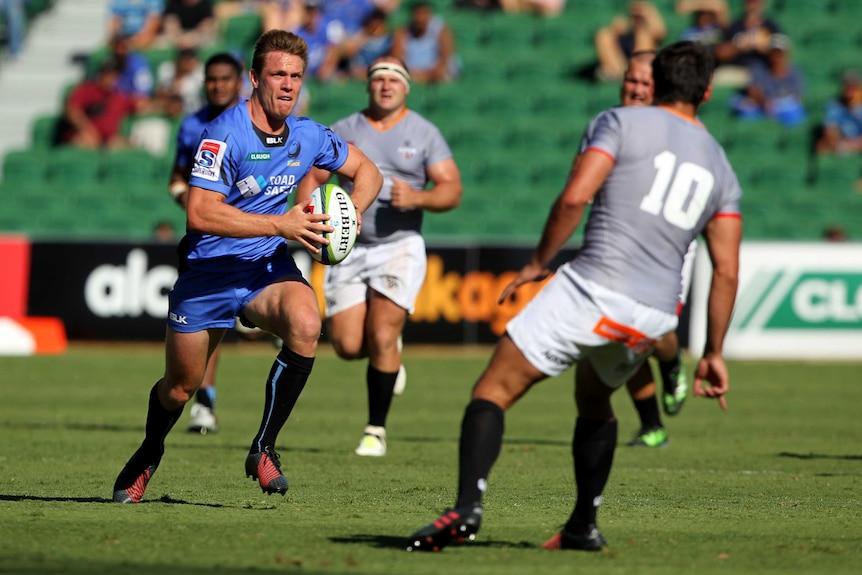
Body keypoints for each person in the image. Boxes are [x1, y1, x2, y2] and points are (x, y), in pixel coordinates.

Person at [405, 40, 742, 552]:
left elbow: (576, 196)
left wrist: (540, 262)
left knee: (492, 390)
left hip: (596, 287)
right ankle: (583, 526)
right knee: (595, 400)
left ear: (658, 83)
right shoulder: (721, 166)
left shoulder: (621, 122)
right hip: (651, 315)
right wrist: (713, 353)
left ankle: (466, 509)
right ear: (709, 91)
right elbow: (727, 272)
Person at [111, 29, 383, 504]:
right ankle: (149, 452)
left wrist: (351, 214)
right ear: (254, 79)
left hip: (264, 268)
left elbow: (369, 172)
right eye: (278, 74)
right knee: (180, 388)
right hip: (209, 272)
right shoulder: (223, 134)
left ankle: (263, 446)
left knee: (305, 321)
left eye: (296, 76)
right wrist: (280, 224)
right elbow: (200, 212)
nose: (288, 85)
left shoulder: (308, 134)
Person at [297, 56, 462, 457]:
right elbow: (312, 180)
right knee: (349, 346)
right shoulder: (345, 129)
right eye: (378, 78)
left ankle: (375, 430)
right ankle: (390, 357)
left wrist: (420, 197)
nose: (386, 85)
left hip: (399, 246)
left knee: (383, 334)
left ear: (407, 87)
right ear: (368, 86)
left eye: (394, 79)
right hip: (349, 248)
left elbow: (452, 189)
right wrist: (308, 216)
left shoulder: (424, 132)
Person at [581, 49, 691, 448]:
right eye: (631, 80)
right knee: (622, 337)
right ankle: (651, 426)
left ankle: (672, 361)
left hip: (668, 247)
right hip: (617, 243)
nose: (637, 89)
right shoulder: (603, 124)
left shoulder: (679, 128)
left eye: (646, 83)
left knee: (652, 332)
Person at [165, 51, 244, 434]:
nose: (218, 85)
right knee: (207, 328)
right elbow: (177, 177)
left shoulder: (254, 123)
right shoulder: (191, 126)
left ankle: (273, 330)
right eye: (212, 79)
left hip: (250, 236)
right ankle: (204, 401)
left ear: (240, 81)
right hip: (205, 240)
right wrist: (186, 197)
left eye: (225, 78)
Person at [58, 57, 142, 149]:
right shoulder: (87, 90)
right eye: (107, 74)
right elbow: (72, 111)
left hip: (108, 141)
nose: (111, 79)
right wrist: (88, 129)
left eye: (114, 75)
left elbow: (139, 104)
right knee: (86, 141)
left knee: (127, 146)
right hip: (86, 136)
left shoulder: (120, 96)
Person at [729, 33, 805, 127]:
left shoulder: (794, 72)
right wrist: (764, 102)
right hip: (762, 106)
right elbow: (753, 91)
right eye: (773, 53)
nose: (776, 57)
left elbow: (798, 95)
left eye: (779, 53)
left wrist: (779, 104)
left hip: (783, 107)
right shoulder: (758, 68)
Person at [712, 0, 782, 87]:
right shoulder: (735, 26)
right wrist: (739, 46)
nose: (753, 6)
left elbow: (782, 56)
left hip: (764, 70)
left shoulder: (771, 27)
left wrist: (765, 47)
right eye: (750, 2)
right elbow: (720, 53)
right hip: (738, 70)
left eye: (756, 2)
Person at [592, 1, 666, 83]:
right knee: (603, 35)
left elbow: (660, 33)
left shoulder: (649, 13)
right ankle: (617, 72)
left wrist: (646, 16)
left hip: (643, 51)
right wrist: (619, 28)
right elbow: (611, 29)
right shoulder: (624, 14)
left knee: (643, 35)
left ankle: (637, 70)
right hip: (622, 52)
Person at [390, 1, 460, 84]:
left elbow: (444, 63)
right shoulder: (402, 31)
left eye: (424, 13)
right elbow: (398, 60)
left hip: (435, 75)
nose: (420, 18)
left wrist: (425, 76)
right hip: (411, 74)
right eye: (417, 13)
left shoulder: (442, 30)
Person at [815, 69, 862, 156]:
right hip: (840, 142)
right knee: (821, 147)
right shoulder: (834, 105)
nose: (850, 93)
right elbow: (829, 132)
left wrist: (848, 146)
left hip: (853, 143)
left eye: (853, 88)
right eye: (847, 87)